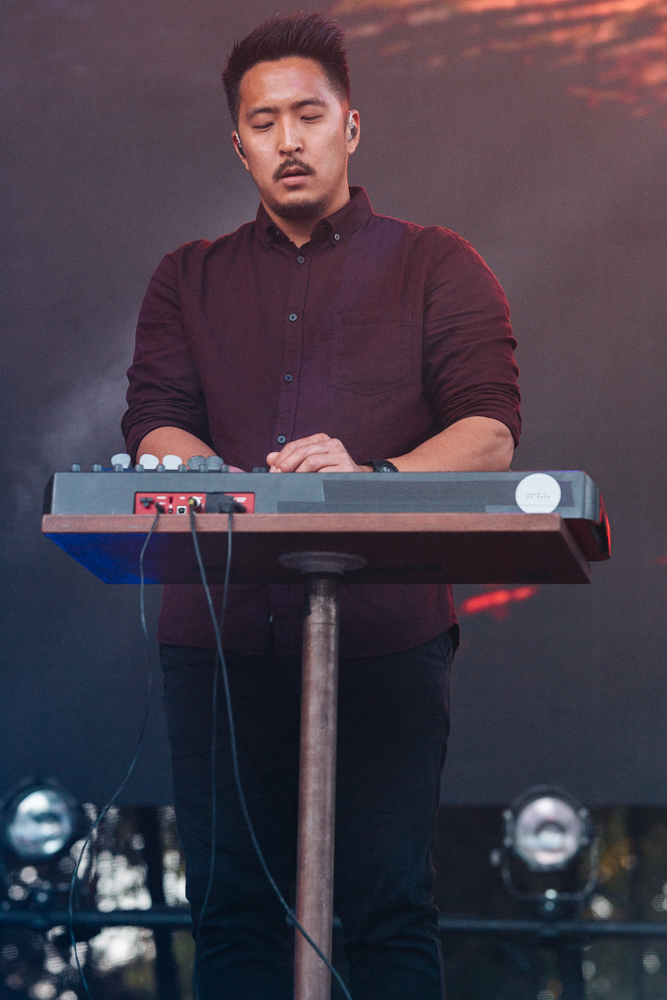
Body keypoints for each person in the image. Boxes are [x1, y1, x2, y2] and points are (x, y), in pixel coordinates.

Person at [122, 13, 521, 999]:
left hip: (386, 633)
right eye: (264, 122)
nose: (288, 140)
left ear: (352, 125)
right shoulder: (187, 277)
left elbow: (490, 430)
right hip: (218, 637)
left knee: (388, 905)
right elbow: (155, 424)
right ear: (239, 145)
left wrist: (364, 481)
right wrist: (239, 491)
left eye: (309, 115)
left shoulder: (439, 263)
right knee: (229, 906)